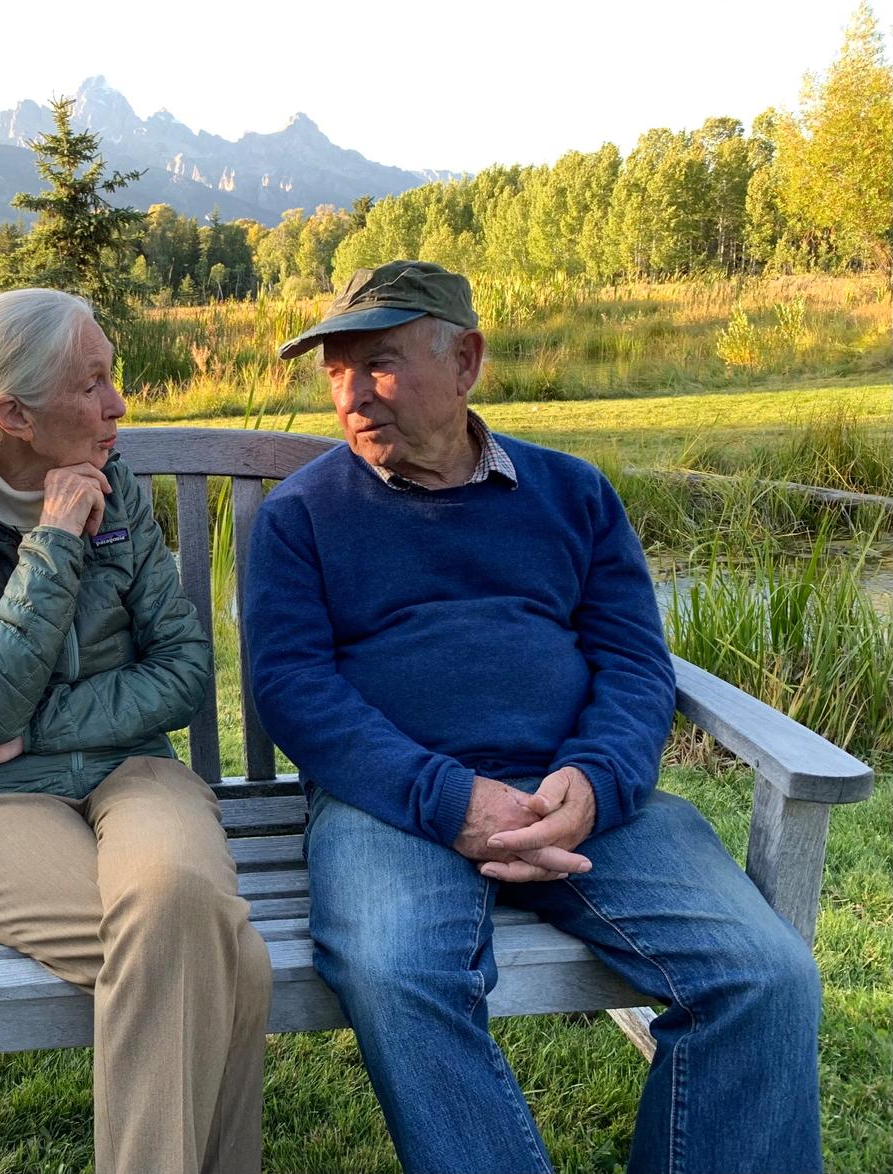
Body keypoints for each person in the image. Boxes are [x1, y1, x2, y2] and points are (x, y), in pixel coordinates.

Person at [241, 260, 822, 1174]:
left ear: (466, 360)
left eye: (381, 363)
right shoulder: (301, 516)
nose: (352, 394)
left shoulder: (573, 493)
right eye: (336, 371)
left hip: (580, 799)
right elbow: (293, 689)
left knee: (765, 976)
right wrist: (450, 800)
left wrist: (597, 778)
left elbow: (635, 661)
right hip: (394, 809)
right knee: (399, 974)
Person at [0, 287, 272, 1174]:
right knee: (225, 960)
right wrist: (55, 539)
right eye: (91, 383)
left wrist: (37, 730)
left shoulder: (121, 486)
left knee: (180, 908)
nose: (118, 405)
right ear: (12, 414)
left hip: (132, 769)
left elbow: (181, 670)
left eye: (113, 375)